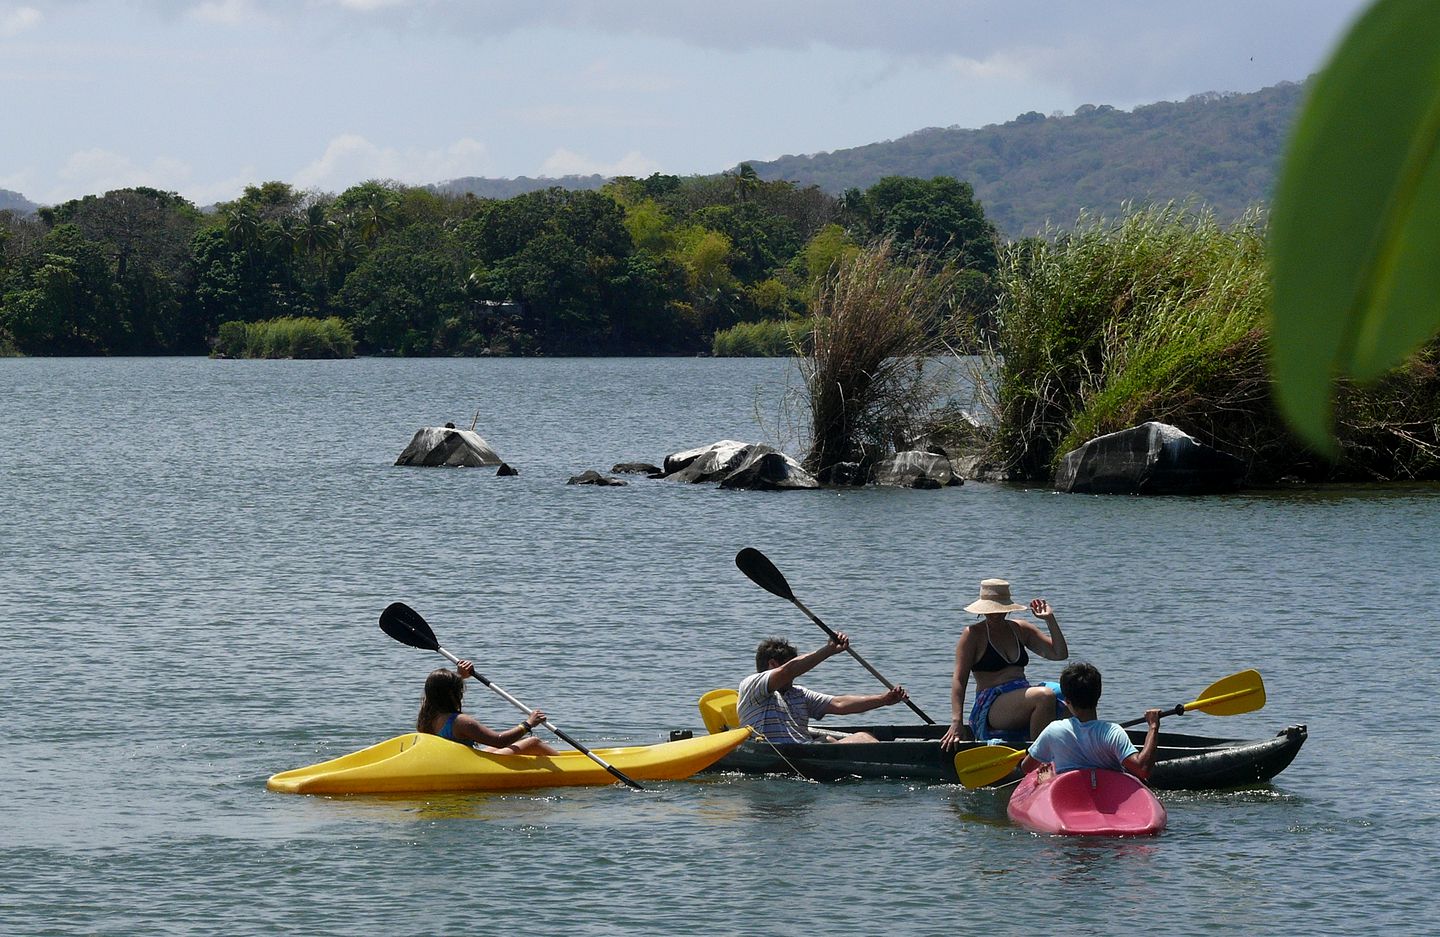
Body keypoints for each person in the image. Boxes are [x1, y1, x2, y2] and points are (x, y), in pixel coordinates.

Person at [940, 578, 1070, 749]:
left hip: (1020, 696)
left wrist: (1050, 620)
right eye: (990, 610)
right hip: (991, 704)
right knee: (1044, 696)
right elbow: (959, 679)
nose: (995, 614)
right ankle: (1038, 758)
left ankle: (1081, 748)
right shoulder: (973, 634)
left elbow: (1059, 654)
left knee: (1070, 691)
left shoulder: (1020, 629)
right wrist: (957, 721)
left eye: (999, 609)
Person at [737, 633, 910, 744]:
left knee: (859, 737)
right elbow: (787, 671)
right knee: (850, 738)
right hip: (783, 757)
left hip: (806, 752)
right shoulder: (752, 685)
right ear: (773, 664)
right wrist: (828, 651)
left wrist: (883, 700)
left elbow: (839, 704)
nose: (795, 676)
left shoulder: (798, 693)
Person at [1020, 662, 1162, 779]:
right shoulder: (1112, 732)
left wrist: (1048, 772)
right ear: (1098, 695)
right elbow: (1142, 769)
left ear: (1067, 701)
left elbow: (1026, 767)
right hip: (1108, 796)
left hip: (1067, 794)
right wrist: (1153, 726)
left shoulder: (1053, 730)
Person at [416, 660, 559, 755]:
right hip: (470, 766)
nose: (461, 695)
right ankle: (571, 767)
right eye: (460, 691)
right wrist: (528, 724)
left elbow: (442, 689)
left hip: (453, 763)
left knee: (517, 741)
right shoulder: (460, 721)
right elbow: (499, 741)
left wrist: (459, 676)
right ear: (452, 694)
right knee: (533, 742)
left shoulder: (426, 718)